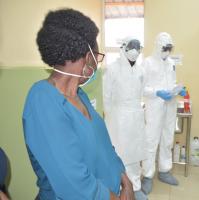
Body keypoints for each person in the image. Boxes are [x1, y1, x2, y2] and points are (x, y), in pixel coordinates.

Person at [22, 9, 134, 200]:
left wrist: (125, 180)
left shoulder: (79, 95)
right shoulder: (42, 100)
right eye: (97, 56)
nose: (97, 64)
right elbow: (73, 184)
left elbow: (104, 148)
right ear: (87, 55)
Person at [103, 37, 148, 200]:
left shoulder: (141, 70)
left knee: (135, 153)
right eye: (131, 46)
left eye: (138, 47)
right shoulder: (112, 69)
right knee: (121, 153)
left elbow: (142, 92)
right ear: (123, 48)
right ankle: (120, 187)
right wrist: (110, 119)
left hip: (136, 115)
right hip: (118, 118)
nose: (135, 50)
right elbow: (106, 96)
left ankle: (135, 187)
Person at [141, 32, 186, 194]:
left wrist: (179, 89)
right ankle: (147, 176)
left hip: (170, 105)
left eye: (169, 48)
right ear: (158, 46)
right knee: (151, 141)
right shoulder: (147, 62)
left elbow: (172, 82)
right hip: (154, 106)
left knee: (168, 139)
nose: (167, 51)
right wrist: (157, 92)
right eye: (165, 48)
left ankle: (164, 171)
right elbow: (142, 88)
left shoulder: (171, 63)